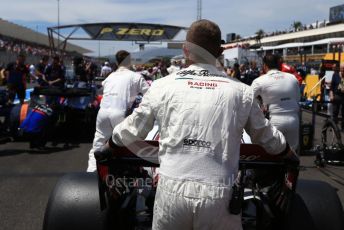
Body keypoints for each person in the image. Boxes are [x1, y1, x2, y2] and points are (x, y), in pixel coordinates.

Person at [101, 20, 296, 229]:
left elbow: (134, 127)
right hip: (220, 194)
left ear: (186, 50)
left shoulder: (161, 86)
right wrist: (288, 152)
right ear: (220, 52)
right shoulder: (242, 92)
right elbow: (265, 136)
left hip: (170, 192)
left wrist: (109, 145)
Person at [86, 50, 149, 172]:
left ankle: (92, 172)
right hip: (121, 113)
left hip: (103, 113)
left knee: (98, 143)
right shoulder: (136, 76)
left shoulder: (111, 76)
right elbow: (151, 94)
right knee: (127, 144)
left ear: (117, 61)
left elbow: (104, 87)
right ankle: (127, 173)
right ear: (129, 61)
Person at [251, 54, 300, 151]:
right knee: (291, 153)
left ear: (265, 65)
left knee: (273, 153)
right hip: (293, 119)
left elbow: (247, 99)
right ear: (279, 64)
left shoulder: (260, 80)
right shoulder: (292, 78)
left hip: (275, 120)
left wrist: (259, 105)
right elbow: (297, 98)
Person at [329, 65, 344, 131]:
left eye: (343, 68)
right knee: (335, 112)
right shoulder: (335, 75)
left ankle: (343, 127)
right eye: (342, 68)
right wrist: (331, 95)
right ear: (340, 69)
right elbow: (331, 87)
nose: (342, 69)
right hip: (337, 95)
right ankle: (334, 126)